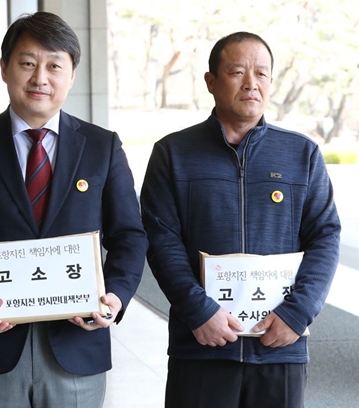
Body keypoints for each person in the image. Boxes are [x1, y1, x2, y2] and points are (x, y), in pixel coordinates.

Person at [0, 11, 148, 408]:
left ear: (71, 75)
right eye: (27, 63)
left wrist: (115, 295)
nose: (40, 78)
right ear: (5, 69)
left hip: (78, 343)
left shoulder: (102, 146)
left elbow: (129, 234)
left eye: (54, 65)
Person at [140, 31, 341, 408]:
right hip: (201, 344)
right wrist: (198, 311)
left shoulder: (302, 154)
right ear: (211, 81)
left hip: (279, 345)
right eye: (237, 71)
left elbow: (325, 237)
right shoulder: (173, 154)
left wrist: (297, 314)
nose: (251, 83)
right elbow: (161, 240)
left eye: (262, 74)